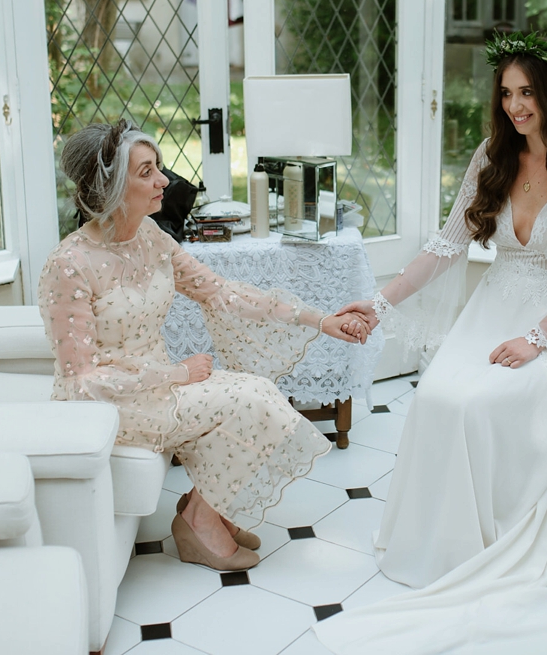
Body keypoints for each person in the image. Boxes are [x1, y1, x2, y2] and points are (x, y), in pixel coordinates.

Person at [315, 32, 547, 655]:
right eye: (506, 94)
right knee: (439, 397)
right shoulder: (491, 156)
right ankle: (445, 547)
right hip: (493, 307)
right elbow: (446, 246)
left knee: (482, 404)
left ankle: (496, 544)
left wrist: (536, 340)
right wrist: (381, 302)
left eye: (527, 93)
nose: (516, 106)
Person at [38, 120, 369, 572]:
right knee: (254, 400)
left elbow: (222, 293)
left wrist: (321, 320)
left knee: (258, 394)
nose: (163, 182)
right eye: (147, 172)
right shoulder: (69, 263)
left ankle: (202, 510)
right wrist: (177, 374)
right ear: (113, 186)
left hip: (155, 390)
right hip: (110, 405)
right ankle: (198, 521)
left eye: (159, 168)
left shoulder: (151, 238)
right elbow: (82, 382)